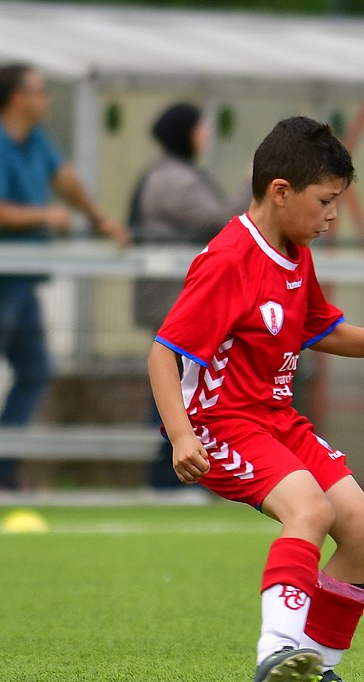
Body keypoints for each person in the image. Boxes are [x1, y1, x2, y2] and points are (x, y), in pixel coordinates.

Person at [148, 116, 364, 682]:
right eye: (325, 202)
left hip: (278, 419)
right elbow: (163, 352)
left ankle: (311, 675)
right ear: (281, 191)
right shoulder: (229, 259)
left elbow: (319, 329)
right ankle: (276, 652)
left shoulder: (295, 252)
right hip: (223, 423)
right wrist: (180, 436)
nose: (332, 216)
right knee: (310, 509)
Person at [0, 63, 131, 490]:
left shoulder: (34, 139)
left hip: (19, 281)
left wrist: (99, 219)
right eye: (40, 91)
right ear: (17, 97)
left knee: (35, 370)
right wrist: (45, 216)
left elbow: (65, 178)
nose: (48, 99)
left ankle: (0, 471)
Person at [128, 101, 241, 489]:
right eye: (200, 127)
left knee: (180, 388)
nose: (206, 135)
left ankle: (176, 479)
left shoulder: (173, 173)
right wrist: (254, 185)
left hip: (176, 300)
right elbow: (219, 221)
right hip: (172, 302)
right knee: (174, 390)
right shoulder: (172, 179)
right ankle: (167, 479)